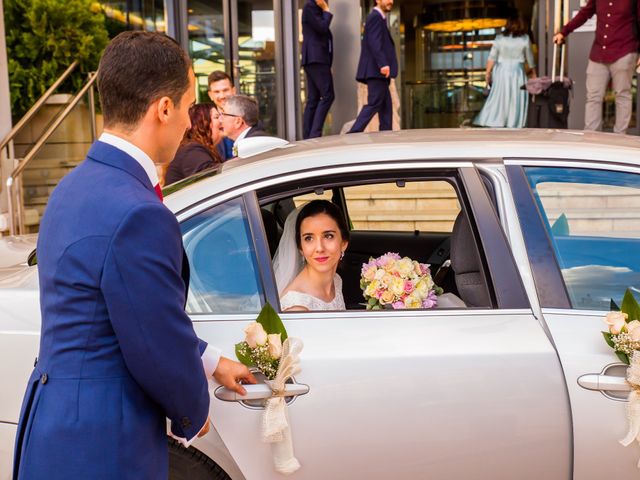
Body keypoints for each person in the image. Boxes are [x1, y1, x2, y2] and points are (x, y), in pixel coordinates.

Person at [12, 31, 255, 480]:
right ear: (163, 109)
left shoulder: (72, 187)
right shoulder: (138, 212)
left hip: (55, 423)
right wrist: (190, 411)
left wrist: (208, 360)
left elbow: (111, 315)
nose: (188, 122)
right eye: (186, 107)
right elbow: (153, 337)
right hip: (103, 442)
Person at [554, 0, 640, 133]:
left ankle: (620, 137)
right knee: (593, 96)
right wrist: (564, 31)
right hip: (599, 52)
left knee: (622, 95)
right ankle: (590, 136)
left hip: (624, 50)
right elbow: (585, 13)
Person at [274, 200, 349, 311]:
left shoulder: (335, 280)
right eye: (309, 238)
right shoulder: (297, 308)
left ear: (343, 243)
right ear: (301, 248)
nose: (319, 248)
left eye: (328, 236)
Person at [474, 17, 536, 128]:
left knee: (499, 97)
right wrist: (534, 73)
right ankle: (514, 123)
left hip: (501, 72)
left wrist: (487, 73)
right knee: (516, 99)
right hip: (517, 73)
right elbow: (530, 59)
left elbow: (492, 57)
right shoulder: (525, 39)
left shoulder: (499, 38)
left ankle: (494, 120)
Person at [348, 0, 398, 133]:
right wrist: (383, 64)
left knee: (386, 107)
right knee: (374, 103)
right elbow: (375, 42)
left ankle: (386, 136)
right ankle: (352, 133)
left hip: (378, 73)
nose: (391, 1)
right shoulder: (375, 17)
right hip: (376, 71)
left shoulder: (379, 18)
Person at [165, 103, 223, 184]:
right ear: (202, 123)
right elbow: (213, 181)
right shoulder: (192, 151)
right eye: (216, 117)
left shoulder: (195, 148)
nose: (221, 120)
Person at [301, 0, 335, 139]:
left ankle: (309, 134)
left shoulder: (314, 7)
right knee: (328, 95)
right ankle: (314, 133)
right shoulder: (311, 6)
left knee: (314, 98)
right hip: (316, 58)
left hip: (316, 59)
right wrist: (326, 10)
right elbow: (322, 27)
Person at [207, 71, 236, 159]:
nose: (222, 95)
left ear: (233, 91)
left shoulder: (247, 117)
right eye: (217, 92)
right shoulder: (203, 124)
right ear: (210, 95)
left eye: (225, 90)